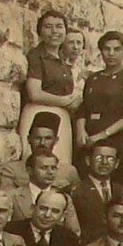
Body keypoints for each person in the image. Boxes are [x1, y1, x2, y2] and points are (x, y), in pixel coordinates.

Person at [75, 30, 123, 184]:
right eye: (107, 49)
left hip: (116, 139)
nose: (111, 54)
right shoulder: (93, 78)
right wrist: (81, 131)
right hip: (90, 140)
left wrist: (103, 134)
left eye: (117, 49)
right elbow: (84, 108)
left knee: (116, 185)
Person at [21, 10, 84, 167]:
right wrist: (65, 101)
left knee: (60, 165)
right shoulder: (37, 56)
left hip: (62, 118)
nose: (54, 32)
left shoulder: (63, 60)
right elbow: (34, 93)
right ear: (40, 31)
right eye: (48, 27)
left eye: (59, 26)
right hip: (39, 115)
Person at [0, 111, 82, 194]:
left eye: (48, 138)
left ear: (56, 140)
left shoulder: (69, 171)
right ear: (29, 139)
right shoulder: (12, 170)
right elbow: (6, 200)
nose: (42, 143)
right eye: (37, 138)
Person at [7, 151, 81, 236]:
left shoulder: (63, 198)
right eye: (44, 168)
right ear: (30, 170)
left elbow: (74, 232)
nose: (50, 172)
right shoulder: (12, 196)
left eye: (53, 168)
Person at [72, 144, 122, 246]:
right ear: (88, 161)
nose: (104, 162)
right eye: (99, 158)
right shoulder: (75, 191)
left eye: (110, 159)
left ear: (117, 163)